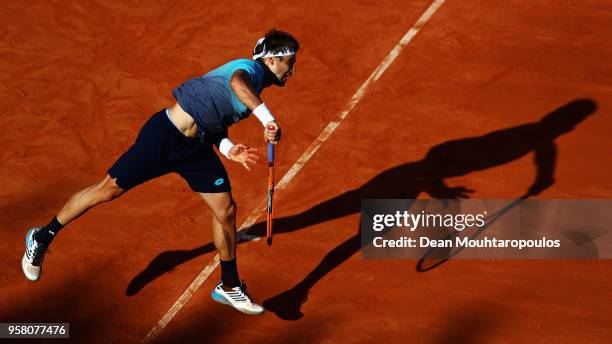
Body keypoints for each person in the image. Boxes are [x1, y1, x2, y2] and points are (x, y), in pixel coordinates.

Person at [21, 29, 299, 315]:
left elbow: (214, 119)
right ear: (272, 60)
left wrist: (229, 149)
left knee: (225, 210)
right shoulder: (249, 70)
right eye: (290, 61)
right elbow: (236, 83)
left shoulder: (256, 87)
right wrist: (268, 120)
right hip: (164, 137)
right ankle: (42, 237)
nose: (293, 69)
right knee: (107, 190)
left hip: (198, 147)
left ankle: (228, 285)